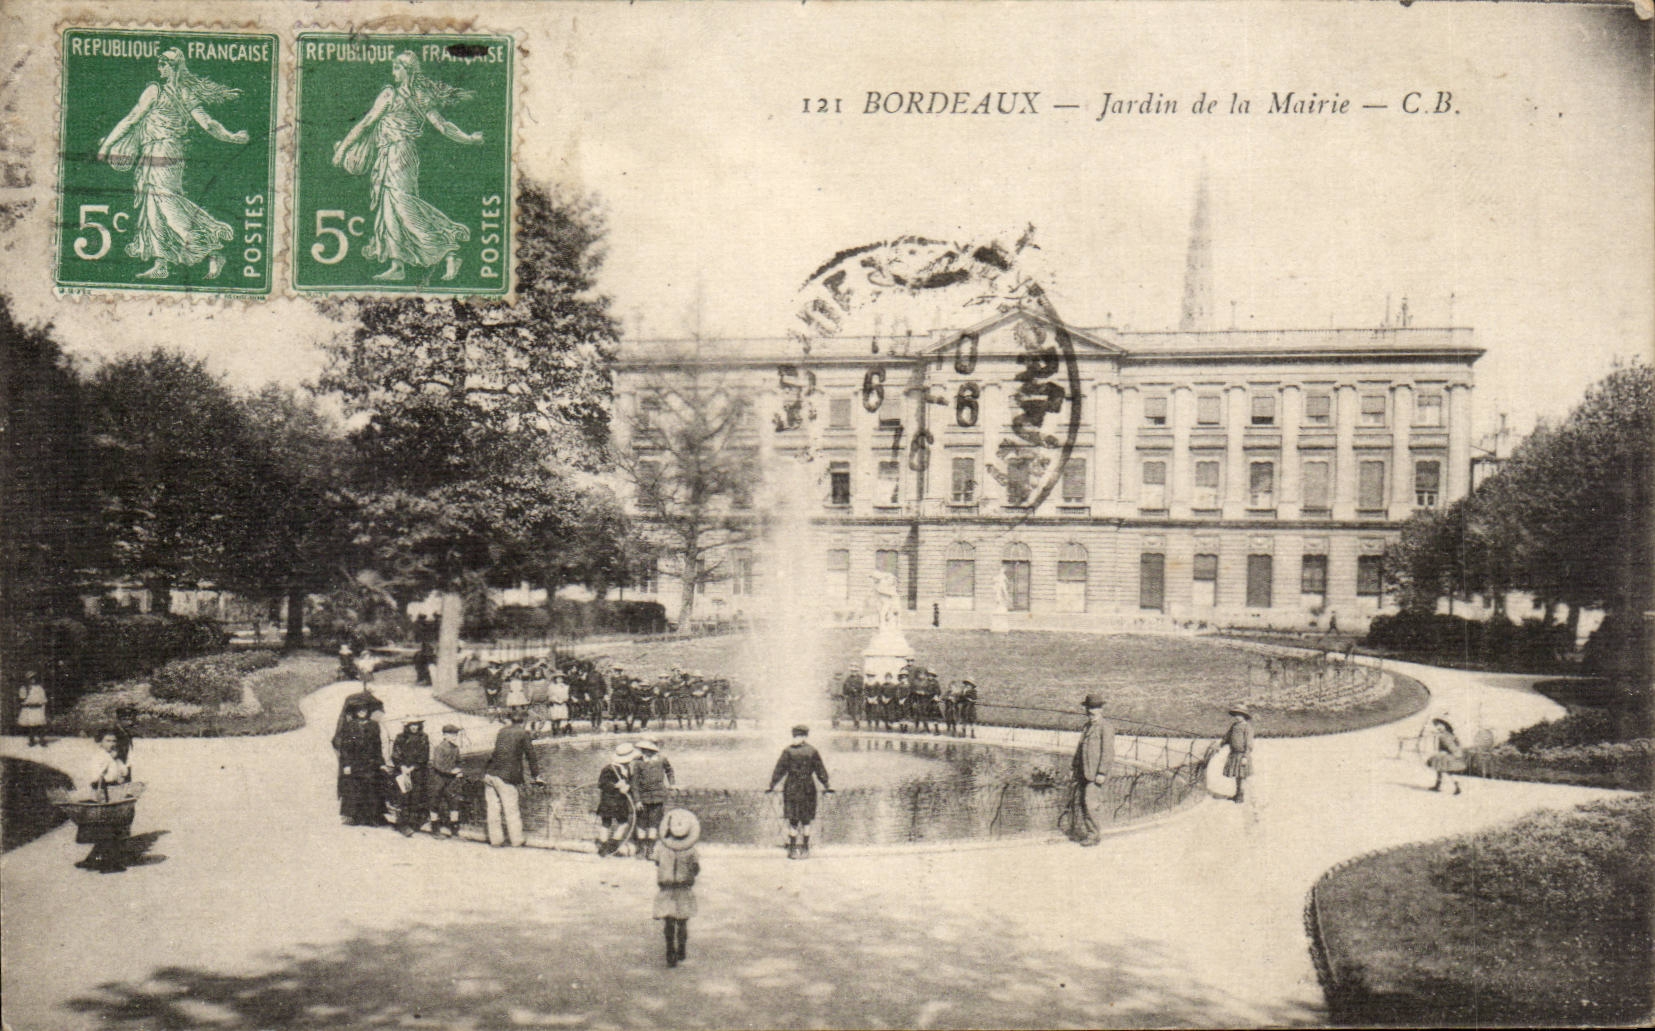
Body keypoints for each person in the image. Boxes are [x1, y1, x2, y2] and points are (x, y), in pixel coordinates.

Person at [95, 47, 249, 280]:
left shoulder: (154, 90)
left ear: (172, 66)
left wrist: (107, 146)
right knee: (153, 208)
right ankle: (162, 263)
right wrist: (231, 136)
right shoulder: (186, 94)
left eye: (163, 63)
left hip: (161, 153)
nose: (159, 68)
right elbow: (209, 124)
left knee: (168, 206)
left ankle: (212, 247)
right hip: (163, 153)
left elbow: (131, 118)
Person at [331, 51, 484, 282]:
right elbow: (442, 126)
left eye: (396, 67)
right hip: (391, 154)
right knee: (389, 209)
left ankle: (449, 250)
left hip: (399, 153)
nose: (393, 72)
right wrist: (469, 138)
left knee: (403, 206)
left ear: (407, 69)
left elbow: (366, 124)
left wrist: (343, 149)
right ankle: (397, 265)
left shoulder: (393, 95)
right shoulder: (413, 95)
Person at [766, 724, 832, 859]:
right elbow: (820, 770)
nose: (796, 738)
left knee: (799, 819)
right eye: (795, 736)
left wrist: (772, 785)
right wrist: (826, 785)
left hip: (793, 786)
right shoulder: (812, 751)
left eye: (798, 736)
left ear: (804, 737)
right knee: (799, 819)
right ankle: (801, 847)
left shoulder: (788, 751)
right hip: (807, 787)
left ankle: (796, 848)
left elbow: (779, 770)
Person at [75, 727, 135, 872]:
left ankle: (93, 859)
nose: (111, 744)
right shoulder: (100, 757)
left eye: (114, 741)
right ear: (100, 742)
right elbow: (95, 777)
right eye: (107, 741)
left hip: (112, 790)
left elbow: (123, 771)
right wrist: (105, 776)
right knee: (109, 827)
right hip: (104, 791)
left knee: (109, 827)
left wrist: (116, 762)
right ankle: (109, 863)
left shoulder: (111, 756)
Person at [482, 709, 542, 846]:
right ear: (524, 721)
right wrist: (536, 776)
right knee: (511, 810)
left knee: (493, 810)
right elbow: (531, 756)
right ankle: (516, 840)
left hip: (490, 774)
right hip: (506, 777)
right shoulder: (523, 733)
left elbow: (496, 753)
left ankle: (496, 840)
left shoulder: (502, 731)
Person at [653, 808, 701, 967]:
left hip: (666, 888)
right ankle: (681, 948)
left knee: (669, 922)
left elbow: (656, 862)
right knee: (682, 922)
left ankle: (670, 951)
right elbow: (696, 868)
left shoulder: (661, 847)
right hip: (683, 888)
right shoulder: (691, 850)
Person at [1065, 693, 1114, 846]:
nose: (1091, 711)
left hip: (1095, 774)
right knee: (1082, 803)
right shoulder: (1087, 727)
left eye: (1094, 708)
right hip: (1083, 772)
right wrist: (1074, 767)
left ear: (1101, 709)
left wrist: (1102, 772)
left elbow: (1108, 752)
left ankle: (1094, 836)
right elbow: (1079, 749)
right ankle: (1088, 832)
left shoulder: (1106, 727)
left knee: (1090, 803)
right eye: (1089, 708)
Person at [333, 700, 385, 826]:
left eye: (365, 710)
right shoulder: (349, 726)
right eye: (359, 710)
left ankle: (372, 817)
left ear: (368, 711)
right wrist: (346, 765)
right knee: (355, 788)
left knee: (371, 788)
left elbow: (378, 745)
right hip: (355, 762)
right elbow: (345, 748)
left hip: (370, 762)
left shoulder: (374, 725)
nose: (362, 712)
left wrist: (380, 761)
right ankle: (354, 817)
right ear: (356, 712)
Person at [632, 738, 677, 860]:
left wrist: (672, 784)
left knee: (654, 823)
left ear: (653, 751)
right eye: (644, 750)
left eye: (648, 751)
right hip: (643, 797)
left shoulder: (662, 760)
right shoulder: (638, 763)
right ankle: (640, 849)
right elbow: (634, 783)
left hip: (658, 797)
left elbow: (669, 770)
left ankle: (650, 850)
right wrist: (637, 801)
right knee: (641, 824)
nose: (645, 753)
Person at [389, 719, 432, 837]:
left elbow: (424, 756)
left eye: (416, 725)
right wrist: (402, 767)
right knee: (404, 796)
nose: (414, 727)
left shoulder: (423, 737)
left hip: (417, 771)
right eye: (412, 725)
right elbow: (396, 754)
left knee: (416, 797)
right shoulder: (400, 737)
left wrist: (412, 767)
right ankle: (403, 824)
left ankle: (413, 823)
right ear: (407, 726)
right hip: (402, 771)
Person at [596, 743, 637, 857]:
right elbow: (602, 784)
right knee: (606, 823)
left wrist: (627, 786)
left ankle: (612, 847)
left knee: (623, 823)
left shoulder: (627, 768)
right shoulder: (609, 768)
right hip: (609, 800)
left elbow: (629, 783)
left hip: (621, 801)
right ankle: (604, 848)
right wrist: (615, 786)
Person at [428, 723, 468, 837]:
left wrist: (459, 769)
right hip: (438, 779)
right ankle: (435, 829)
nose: (454, 736)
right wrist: (451, 771)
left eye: (455, 734)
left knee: (454, 803)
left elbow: (459, 761)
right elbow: (437, 765)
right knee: (435, 803)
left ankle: (454, 830)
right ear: (444, 735)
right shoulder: (440, 748)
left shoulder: (455, 748)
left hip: (451, 781)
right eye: (451, 734)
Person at [1216, 704, 1254, 803]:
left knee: (1242, 777)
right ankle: (1237, 794)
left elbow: (1249, 743)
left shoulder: (1247, 727)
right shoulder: (1234, 726)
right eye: (1236, 715)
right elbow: (1227, 737)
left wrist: (1245, 756)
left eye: (1240, 715)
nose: (1237, 717)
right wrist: (1220, 744)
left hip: (1242, 755)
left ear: (1244, 716)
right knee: (1237, 776)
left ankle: (1241, 795)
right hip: (1234, 754)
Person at [1427, 717, 1466, 795]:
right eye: (1436, 726)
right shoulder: (1449, 734)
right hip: (1446, 755)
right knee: (1439, 770)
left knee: (1447, 771)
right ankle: (1438, 785)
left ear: (1444, 726)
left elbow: (1450, 746)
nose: (1438, 727)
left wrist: (1453, 753)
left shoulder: (1444, 736)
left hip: (1447, 756)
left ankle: (1457, 786)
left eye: (1439, 725)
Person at [17, 670, 49, 747]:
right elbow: (22, 698)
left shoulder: (39, 688)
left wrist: (42, 706)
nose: (33, 680)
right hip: (29, 709)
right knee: (31, 726)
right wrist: (27, 693)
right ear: (27, 679)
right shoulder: (24, 688)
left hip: (37, 708)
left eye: (34, 678)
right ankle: (31, 740)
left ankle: (42, 740)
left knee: (40, 725)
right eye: (31, 678)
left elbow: (43, 699)